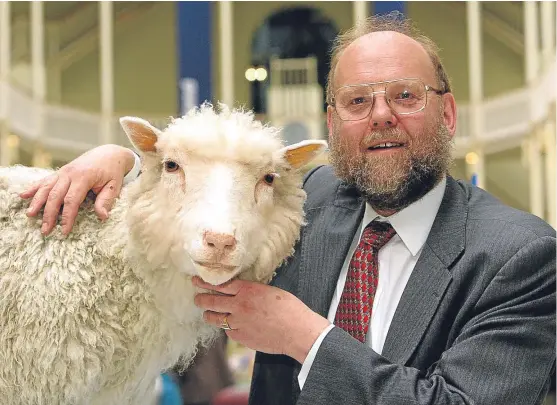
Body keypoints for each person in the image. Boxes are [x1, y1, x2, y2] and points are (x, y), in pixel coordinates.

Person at [20, 12, 555, 405]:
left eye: (406, 95)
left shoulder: (519, 257)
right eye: (358, 101)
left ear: (449, 112)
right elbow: (213, 183)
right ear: (331, 123)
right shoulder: (309, 202)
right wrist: (122, 161)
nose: (382, 115)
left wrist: (304, 337)